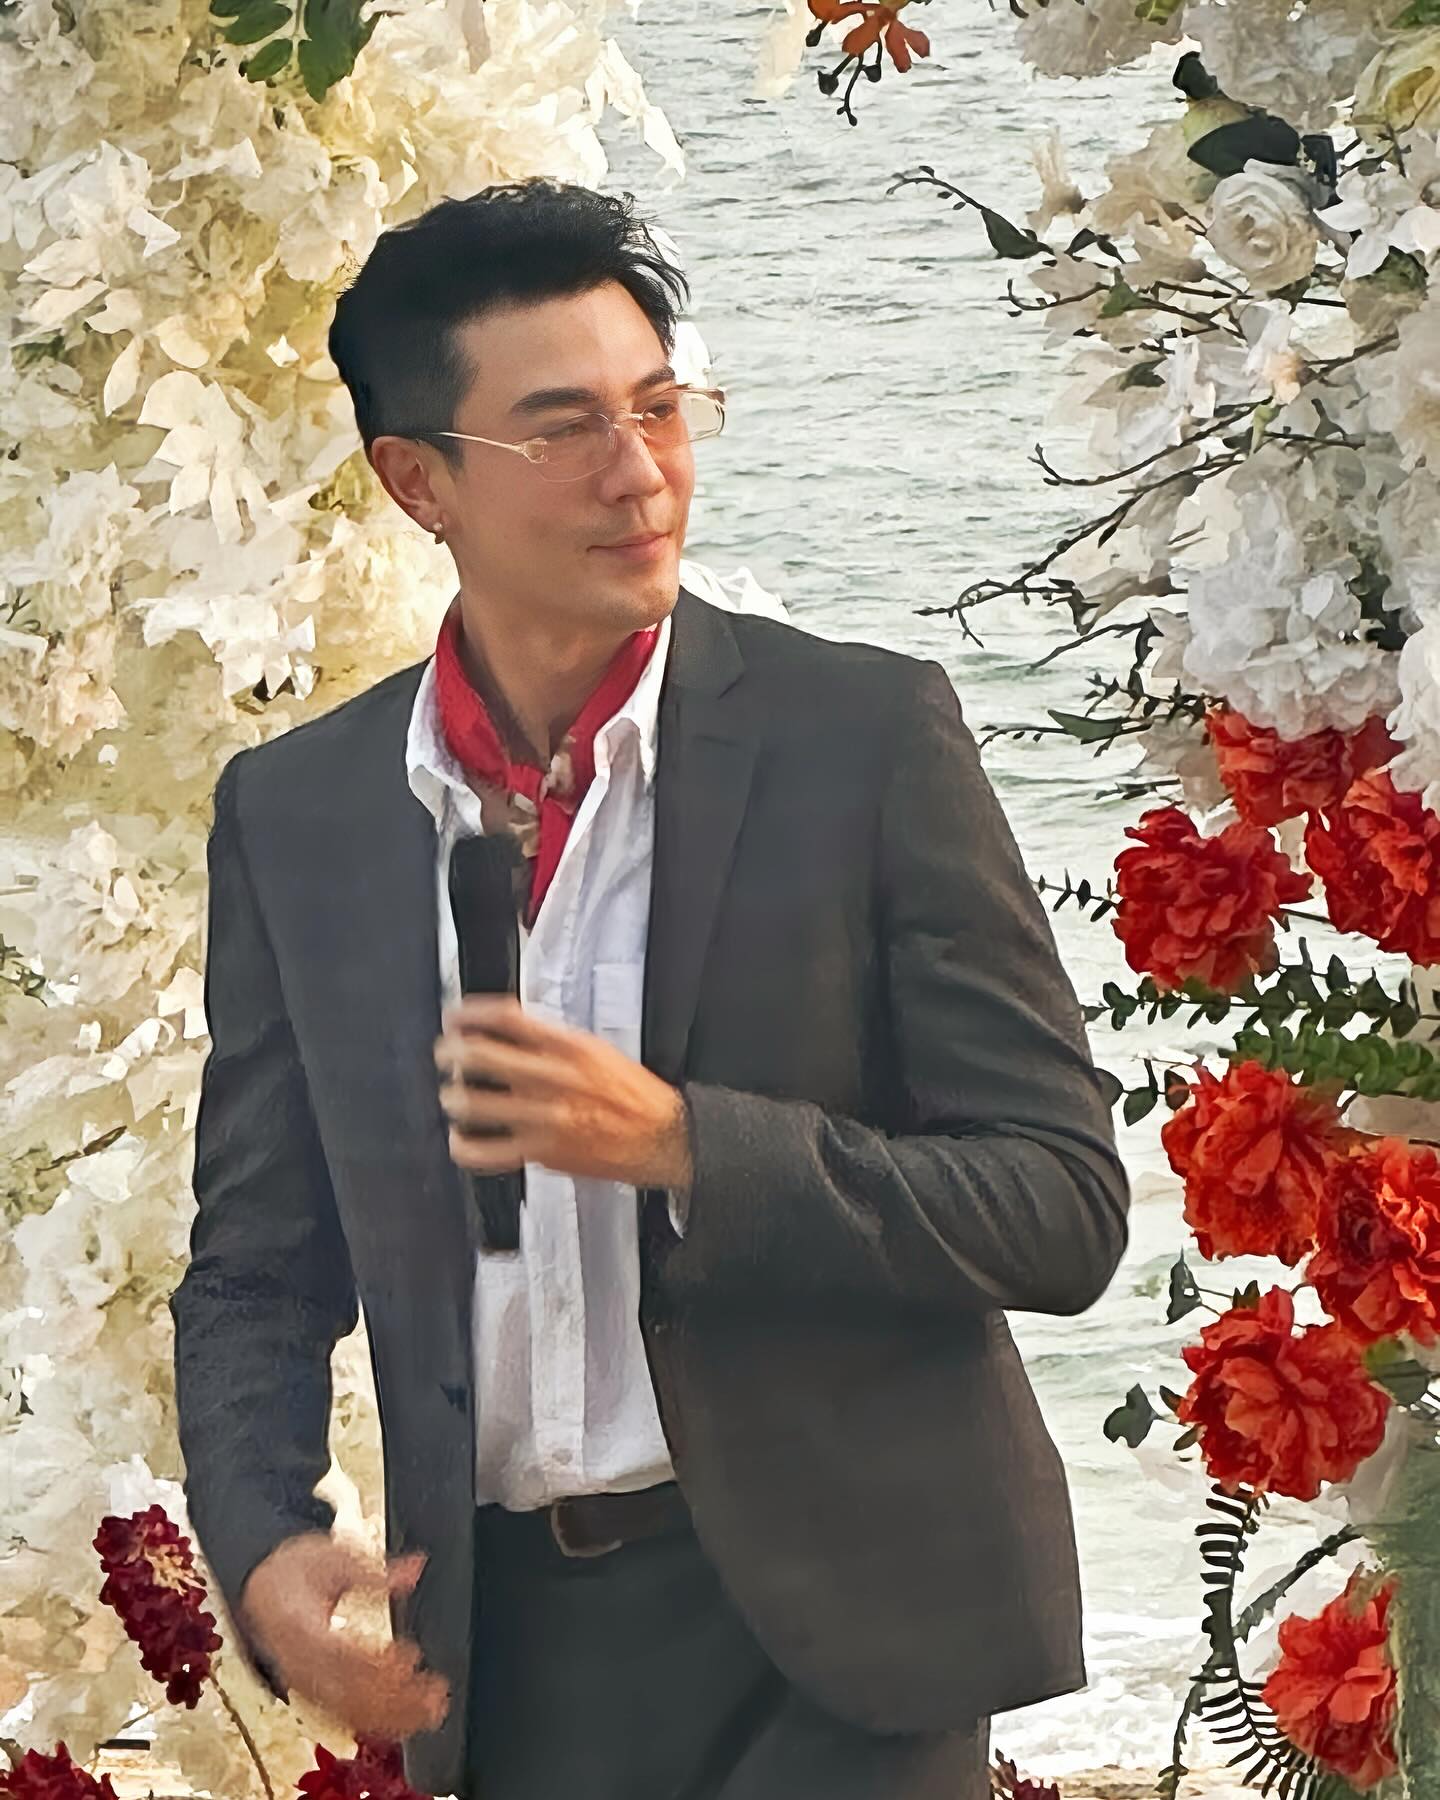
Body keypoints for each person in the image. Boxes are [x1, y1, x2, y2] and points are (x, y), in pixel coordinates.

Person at [170, 178, 1131, 1800]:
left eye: (663, 407)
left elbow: (1062, 1207)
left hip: (849, 1642)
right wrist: (263, 1544)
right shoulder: (300, 813)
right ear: (417, 481)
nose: (641, 472)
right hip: (504, 1653)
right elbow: (256, 1268)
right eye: (564, 430)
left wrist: (687, 1144)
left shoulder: (865, 741)